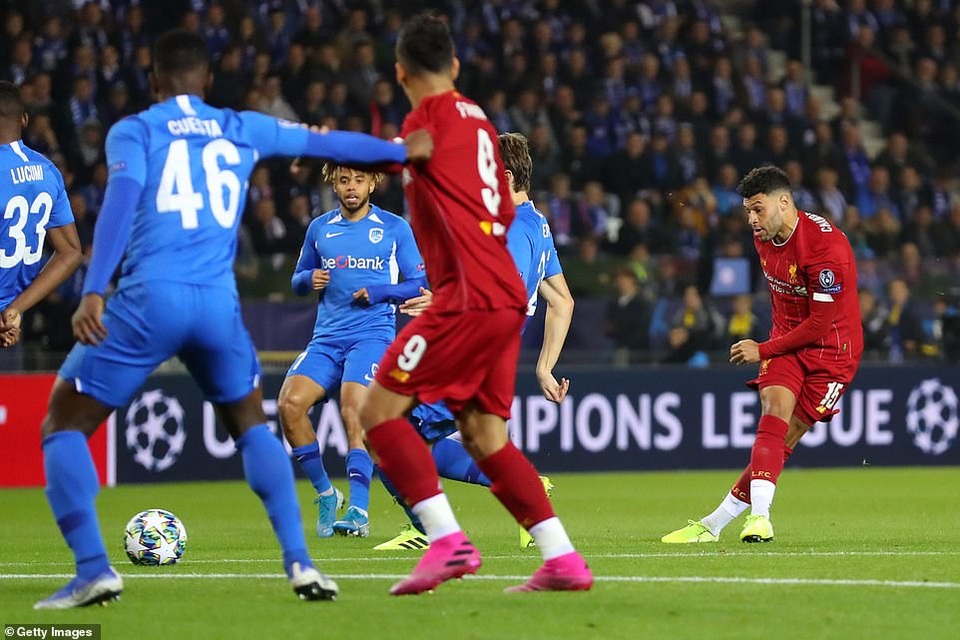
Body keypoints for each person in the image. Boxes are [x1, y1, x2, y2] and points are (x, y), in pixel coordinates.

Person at [33, 28, 432, 609]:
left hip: (148, 299)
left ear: (152, 81)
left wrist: (93, 290)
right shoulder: (240, 125)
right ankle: (300, 564)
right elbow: (331, 141)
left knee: (62, 425)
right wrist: (399, 152)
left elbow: (119, 206)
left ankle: (93, 568)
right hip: (218, 307)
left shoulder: (135, 129)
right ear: (208, 81)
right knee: (251, 426)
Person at [357, 15, 592, 595]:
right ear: (456, 67)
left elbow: (404, 155)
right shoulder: (481, 124)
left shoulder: (426, 120)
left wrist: (308, 143)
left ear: (400, 72)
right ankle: (562, 559)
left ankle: (446, 541)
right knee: (485, 436)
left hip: (466, 298)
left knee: (377, 413)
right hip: (507, 303)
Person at [373, 131, 575, 552]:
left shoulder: (514, 230)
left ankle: (437, 531)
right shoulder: (537, 224)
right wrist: (544, 367)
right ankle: (518, 498)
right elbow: (562, 301)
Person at [662, 165, 863, 544]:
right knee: (773, 411)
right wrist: (774, 344)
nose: (752, 220)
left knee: (785, 438)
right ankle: (759, 518)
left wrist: (763, 348)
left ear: (784, 202)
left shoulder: (825, 248)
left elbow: (820, 325)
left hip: (832, 353)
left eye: (758, 209)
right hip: (787, 341)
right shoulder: (764, 237)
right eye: (747, 212)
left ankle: (714, 523)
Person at [279, 163, 426, 539]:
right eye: (344, 181)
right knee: (289, 405)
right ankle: (327, 495)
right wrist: (306, 280)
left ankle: (359, 510)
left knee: (353, 408)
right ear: (334, 184)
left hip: (372, 336)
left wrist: (380, 293)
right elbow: (297, 279)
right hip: (326, 339)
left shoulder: (394, 228)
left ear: (372, 184)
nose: (351, 188)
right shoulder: (319, 228)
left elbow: (418, 283)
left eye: (359, 180)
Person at [0, 81, 82, 349]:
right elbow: (70, 251)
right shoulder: (48, 170)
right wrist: (14, 310)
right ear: (23, 119)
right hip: (12, 321)